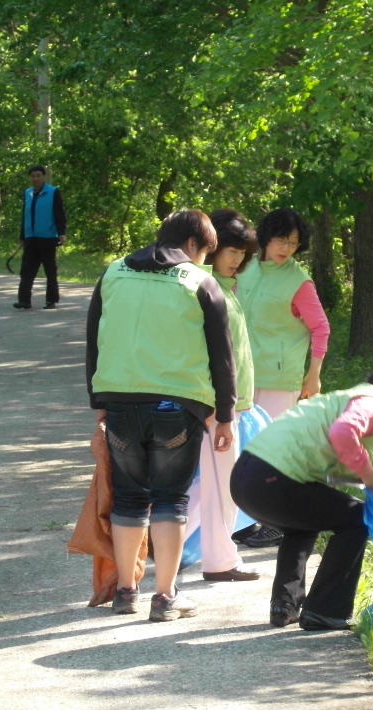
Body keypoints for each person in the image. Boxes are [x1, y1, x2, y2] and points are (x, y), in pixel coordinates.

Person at [86, 208, 237, 621]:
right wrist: (225, 415)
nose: (203, 260)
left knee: (131, 497)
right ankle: (166, 596)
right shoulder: (199, 281)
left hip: (119, 402)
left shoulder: (114, 272)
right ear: (193, 245)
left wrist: (98, 403)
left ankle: (125, 590)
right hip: (177, 405)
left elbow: (94, 338)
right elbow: (222, 357)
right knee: (170, 497)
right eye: (205, 252)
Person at [230, 357, 373, 631]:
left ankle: (285, 605)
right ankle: (325, 611)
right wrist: (368, 472)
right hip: (274, 480)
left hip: (247, 479)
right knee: (358, 519)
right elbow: (344, 432)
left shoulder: (342, 399)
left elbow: (324, 445)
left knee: (302, 524)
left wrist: (358, 474)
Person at [236, 208, 331, 548]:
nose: (286, 248)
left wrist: (313, 374)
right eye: (281, 240)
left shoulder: (298, 281)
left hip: (280, 377)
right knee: (239, 449)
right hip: (238, 373)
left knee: (272, 450)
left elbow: (320, 327)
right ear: (265, 237)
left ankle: (276, 520)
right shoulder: (243, 266)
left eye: (294, 243)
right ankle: (242, 520)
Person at [190, 208, 261, 582]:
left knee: (210, 484)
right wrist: (224, 408)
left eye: (243, 254)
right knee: (223, 485)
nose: (238, 259)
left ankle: (153, 539)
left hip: (230, 404)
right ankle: (220, 561)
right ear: (213, 246)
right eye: (232, 250)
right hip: (217, 405)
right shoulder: (205, 286)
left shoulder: (221, 286)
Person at [15, 164, 67, 310]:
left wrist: (61, 232)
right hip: (31, 237)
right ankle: (24, 301)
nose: (35, 178)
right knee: (27, 270)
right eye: (33, 176)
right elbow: (25, 215)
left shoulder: (53, 192)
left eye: (38, 176)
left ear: (43, 177)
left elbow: (59, 213)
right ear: (30, 178)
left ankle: (51, 300)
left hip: (48, 237)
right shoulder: (28, 193)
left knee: (50, 270)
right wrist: (22, 235)